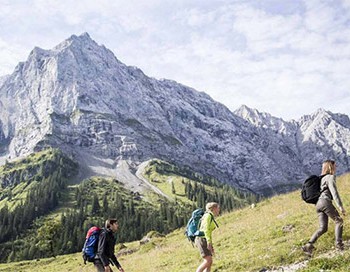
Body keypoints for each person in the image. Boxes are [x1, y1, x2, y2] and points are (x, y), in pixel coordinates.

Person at [302, 160, 346, 256]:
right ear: (331, 167)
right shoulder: (330, 177)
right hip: (325, 202)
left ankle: (308, 245)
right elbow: (334, 192)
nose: (336, 168)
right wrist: (340, 206)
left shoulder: (321, 179)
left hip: (318, 204)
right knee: (339, 221)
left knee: (323, 228)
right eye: (335, 166)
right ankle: (339, 245)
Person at [195, 202, 220, 272]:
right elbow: (205, 229)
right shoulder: (208, 216)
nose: (219, 210)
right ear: (214, 208)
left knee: (209, 261)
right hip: (202, 239)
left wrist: (210, 244)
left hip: (204, 239)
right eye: (218, 208)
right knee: (208, 261)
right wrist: (209, 242)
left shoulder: (209, 216)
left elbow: (208, 231)